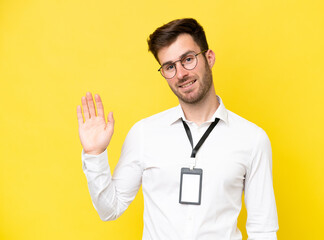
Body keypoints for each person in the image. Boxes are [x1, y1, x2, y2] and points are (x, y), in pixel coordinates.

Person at [77, 18, 278, 240]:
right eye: (170, 66)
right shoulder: (144, 133)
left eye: (188, 59)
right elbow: (110, 209)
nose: (181, 73)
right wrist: (94, 155)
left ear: (209, 58)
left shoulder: (252, 139)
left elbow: (263, 230)